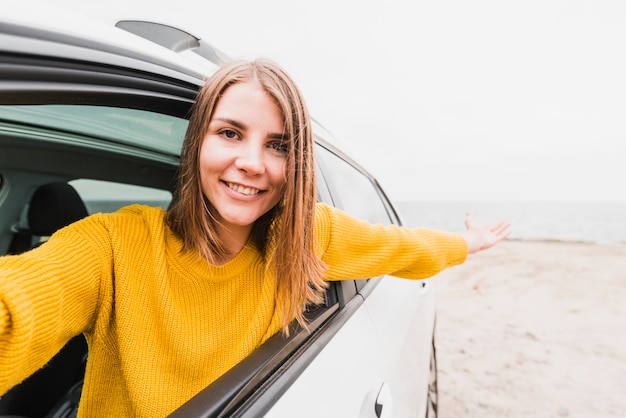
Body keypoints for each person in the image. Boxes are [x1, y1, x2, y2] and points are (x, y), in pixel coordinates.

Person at [0, 59, 510, 417]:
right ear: (198, 140)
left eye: (278, 145)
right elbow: (18, 304)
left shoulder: (309, 238)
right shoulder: (115, 244)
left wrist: (468, 243)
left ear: (298, 165)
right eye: (230, 133)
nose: (252, 162)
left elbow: (405, 247)